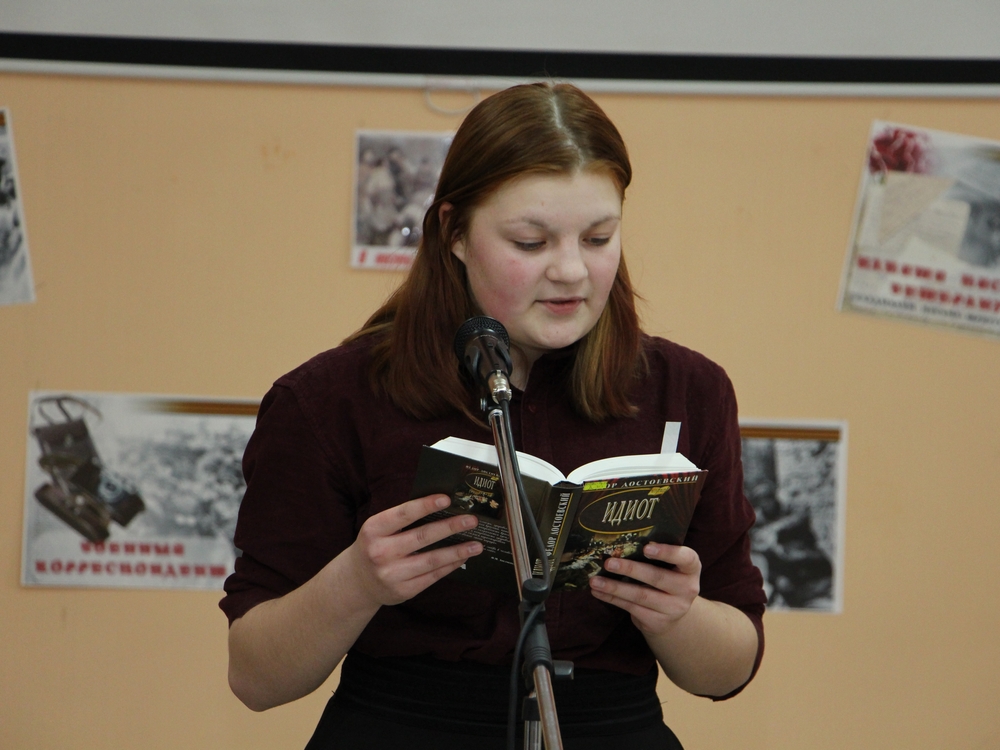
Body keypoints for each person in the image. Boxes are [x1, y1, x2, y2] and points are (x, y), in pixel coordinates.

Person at [220, 82, 766, 749]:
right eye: (531, 242)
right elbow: (256, 677)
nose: (572, 271)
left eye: (599, 237)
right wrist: (357, 582)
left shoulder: (688, 391)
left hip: (607, 726)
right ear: (454, 232)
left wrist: (676, 616)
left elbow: (729, 668)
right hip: (400, 726)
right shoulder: (330, 399)